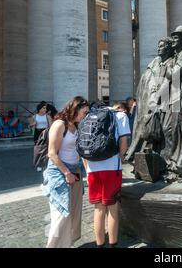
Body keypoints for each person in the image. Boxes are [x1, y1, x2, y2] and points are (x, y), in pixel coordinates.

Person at [43, 96, 90, 248]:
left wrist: (87, 172)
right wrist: (66, 173)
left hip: (75, 170)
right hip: (59, 171)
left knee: (74, 211)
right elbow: (51, 153)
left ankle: (66, 244)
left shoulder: (77, 126)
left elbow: (80, 152)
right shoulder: (59, 125)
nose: (85, 116)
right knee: (61, 213)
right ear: (74, 110)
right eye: (84, 112)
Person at [83, 102, 130, 248]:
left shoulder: (88, 117)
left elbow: (83, 145)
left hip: (92, 168)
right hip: (111, 167)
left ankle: (99, 245)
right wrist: (121, 158)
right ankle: (113, 244)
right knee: (113, 208)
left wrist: (87, 169)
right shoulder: (120, 116)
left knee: (98, 208)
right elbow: (123, 142)